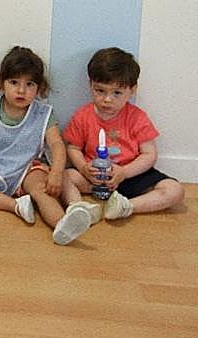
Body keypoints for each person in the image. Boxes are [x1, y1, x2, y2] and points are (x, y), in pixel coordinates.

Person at [0, 46, 91, 246]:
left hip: (27, 169)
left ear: (39, 88)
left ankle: (63, 224)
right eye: (14, 82)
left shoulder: (42, 114)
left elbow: (57, 145)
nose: (21, 90)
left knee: (42, 191)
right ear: (1, 83)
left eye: (29, 84)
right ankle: (15, 206)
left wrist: (57, 172)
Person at [61, 47, 185, 223]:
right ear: (91, 85)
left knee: (175, 190)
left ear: (132, 90)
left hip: (130, 175)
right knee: (63, 176)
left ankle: (126, 206)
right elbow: (73, 147)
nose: (107, 99)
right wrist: (83, 168)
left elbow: (149, 154)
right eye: (100, 91)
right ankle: (79, 208)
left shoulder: (137, 117)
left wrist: (125, 172)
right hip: (94, 177)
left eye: (117, 93)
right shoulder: (83, 116)